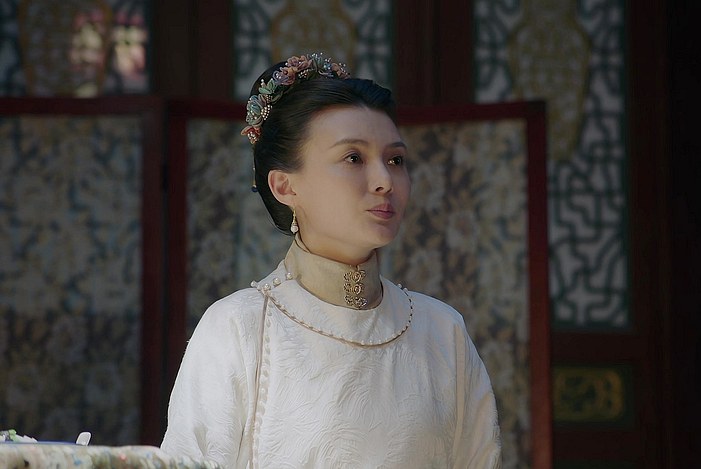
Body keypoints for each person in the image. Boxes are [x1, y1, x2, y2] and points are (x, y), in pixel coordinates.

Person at [160, 53, 501, 468]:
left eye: (395, 160)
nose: (385, 181)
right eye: (353, 158)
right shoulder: (239, 328)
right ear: (285, 186)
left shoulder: (442, 331)